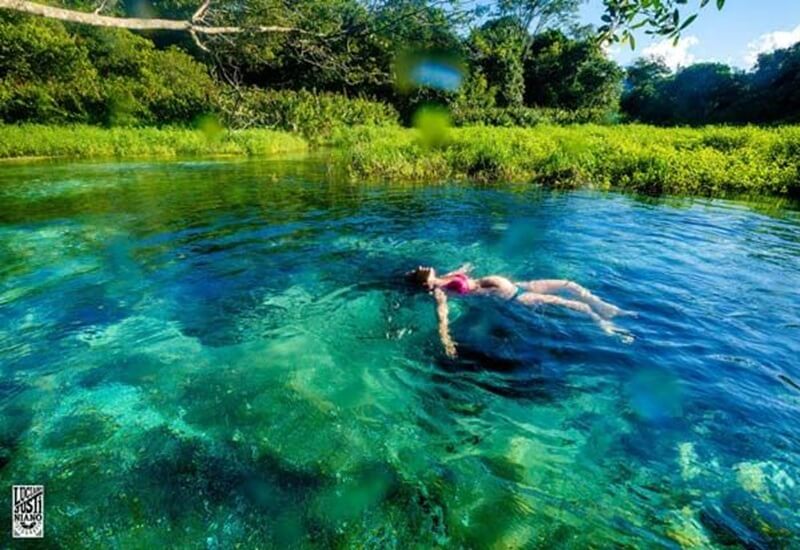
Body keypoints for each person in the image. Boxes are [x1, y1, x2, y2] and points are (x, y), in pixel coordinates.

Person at [406, 264, 630, 357]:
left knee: (568, 284)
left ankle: (607, 308)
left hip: (522, 284)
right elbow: (442, 317)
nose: (420, 267)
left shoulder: (443, 276)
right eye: (417, 271)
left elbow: (463, 270)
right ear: (424, 284)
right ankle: (605, 325)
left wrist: (466, 267)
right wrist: (446, 340)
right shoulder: (439, 293)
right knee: (576, 305)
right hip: (515, 297)